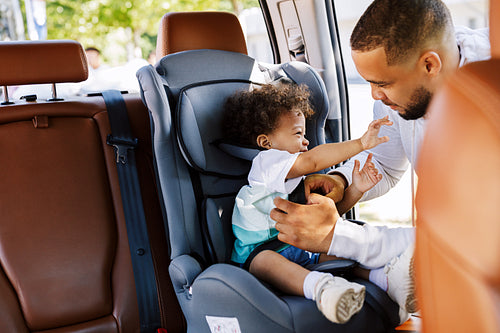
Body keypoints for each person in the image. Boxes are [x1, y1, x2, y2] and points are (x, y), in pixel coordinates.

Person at [270, 0, 490, 318]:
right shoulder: (403, 95)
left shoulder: (488, 101)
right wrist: (341, 181)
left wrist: (341, 237)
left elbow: (471, 240)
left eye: (382, 84)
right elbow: (386, 162)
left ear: (430, 65)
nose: (375, 95)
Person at [223, 83, 393, 324]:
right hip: (259, 253)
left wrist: (356, 189)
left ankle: (384, 278)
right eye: (297, 134)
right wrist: (361, 144)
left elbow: (328, 216)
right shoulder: (267, 164)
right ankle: (324, 290)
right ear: (266, 141)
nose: (305, 142)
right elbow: (312, 160)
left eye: (304, 135)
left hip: (298, 245)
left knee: (339, 250)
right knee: (267, 263)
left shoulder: (297, 181)